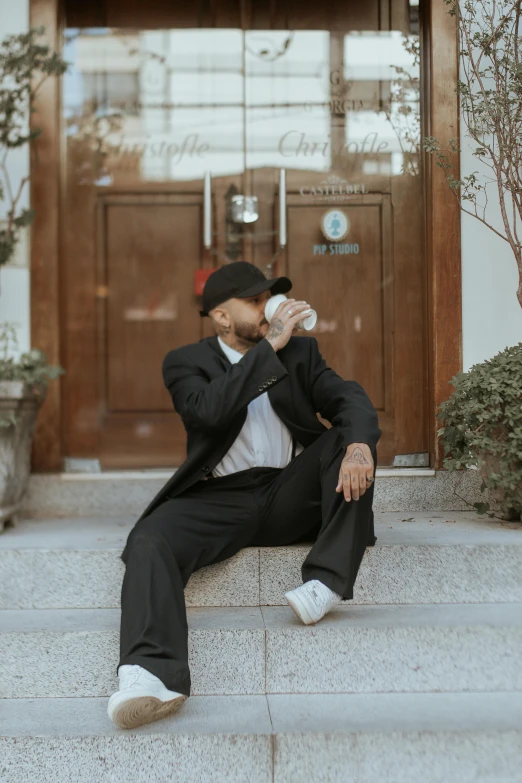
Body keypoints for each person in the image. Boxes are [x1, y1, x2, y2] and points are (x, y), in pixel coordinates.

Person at [107, 260, 381, 730]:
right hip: (221, 497)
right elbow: (208, 414)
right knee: (151, 538)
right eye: (254, 301)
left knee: (343, 438)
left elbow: (348, 397)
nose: (266, 308)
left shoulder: (302, 353)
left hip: (287, 491)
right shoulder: (185, 363)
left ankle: (329, 579)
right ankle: (150, 675)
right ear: (221, 318)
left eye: (267, 299)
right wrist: (270, 345)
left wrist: (359, 446)